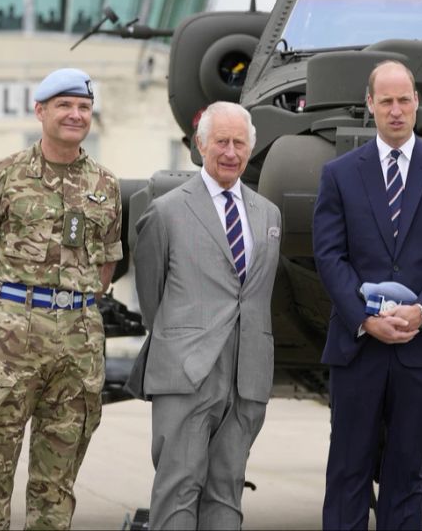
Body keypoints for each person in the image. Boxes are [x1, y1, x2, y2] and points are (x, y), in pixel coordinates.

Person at [313, 60, 422, 530]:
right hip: (358, 344)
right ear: (370, 105)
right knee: (348, 467)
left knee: (407, 470)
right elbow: (329, 256)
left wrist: (421, 311)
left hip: (420, 345)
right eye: (385, 101)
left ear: (417, 103)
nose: (396, 109)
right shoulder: (339, 174)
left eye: (404, 99)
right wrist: (365, 317)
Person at [0, 68, 122, 529]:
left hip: (78, 344)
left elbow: (106, 263)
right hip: (11, 340)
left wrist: (73, 304)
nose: (76, 115)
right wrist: (5, 310)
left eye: (84, 107)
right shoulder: (4, 176)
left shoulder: (105, 185)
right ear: (41, 111)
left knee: (58, 476)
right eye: (65, 105)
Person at [124, 101, 281, 530]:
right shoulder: (167, 210)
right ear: (200, 145)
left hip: (245, 372)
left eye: (239, 143)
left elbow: (254, 294)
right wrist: (181, 339)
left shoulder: (269, 214)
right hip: (186, 369)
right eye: (221, 142)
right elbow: (151, 295)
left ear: (251, 147)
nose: (231, 152)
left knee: (227, 490)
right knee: (178, 488)